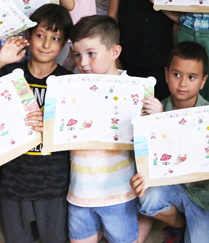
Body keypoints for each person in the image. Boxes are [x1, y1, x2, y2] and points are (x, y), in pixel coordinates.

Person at [0, 4, 74, 243]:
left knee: (54, 239)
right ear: (28, 36)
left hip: (54, 182)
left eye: (55, 38)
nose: (46, 44)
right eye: (40, 35)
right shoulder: (10, 73)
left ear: (65, 43)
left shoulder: (69, 82)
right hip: (13, 179)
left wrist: (53, 123)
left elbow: (77, 129)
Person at [134, 43, 209, 243]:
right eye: (176, 75)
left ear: (203, 82)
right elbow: (148, 157)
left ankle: (191, 226)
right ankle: (179, 223)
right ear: (166, 75)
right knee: (147, 196)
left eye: (192, 77)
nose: (183, 83)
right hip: (173, 188)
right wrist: (156, 122)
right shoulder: (154, 111)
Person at [65, 15, 160, 243]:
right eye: (77, 55)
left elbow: (153, 141)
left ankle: (146, 221)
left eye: (91, 54)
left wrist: (155, 117)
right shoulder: (71, 88)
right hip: (79, 192)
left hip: (118, 194)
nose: (83, 63)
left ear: (114, 52)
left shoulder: (135, 90)